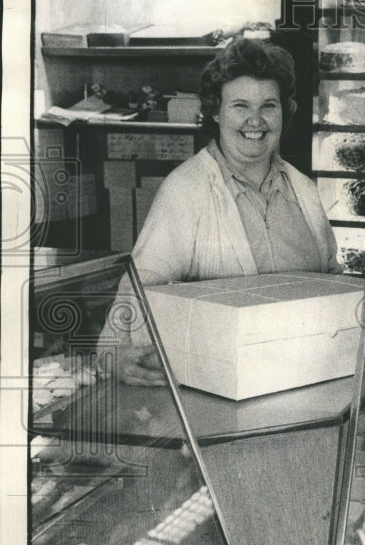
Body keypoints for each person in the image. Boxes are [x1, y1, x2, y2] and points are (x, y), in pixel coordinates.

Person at [113, 38, 340, 384]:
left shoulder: (304, 191)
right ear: (216, 111)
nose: (255, 120)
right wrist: (115, 356)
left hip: (306, 379)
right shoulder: (185, 190)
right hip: (215, 388)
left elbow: (331, 283)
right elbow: (137, 290)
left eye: (268, 105)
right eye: (239, 106)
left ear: (284, 110)